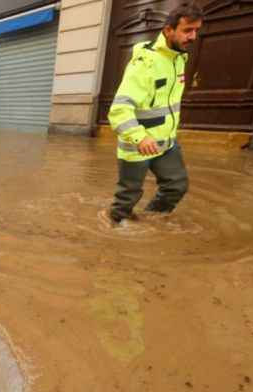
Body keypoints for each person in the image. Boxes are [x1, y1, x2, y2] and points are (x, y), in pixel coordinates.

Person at [108, 2, 203, 225]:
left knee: (176, 186)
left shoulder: (179, 58)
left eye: (197, 30)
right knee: (127, 198)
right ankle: (114, 230)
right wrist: (140, 137)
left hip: (166, 143)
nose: (193, 36)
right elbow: (118, 110)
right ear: (168, 30)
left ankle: (151, 221)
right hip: (138, 145)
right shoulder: (145, 63)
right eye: (187, 30)